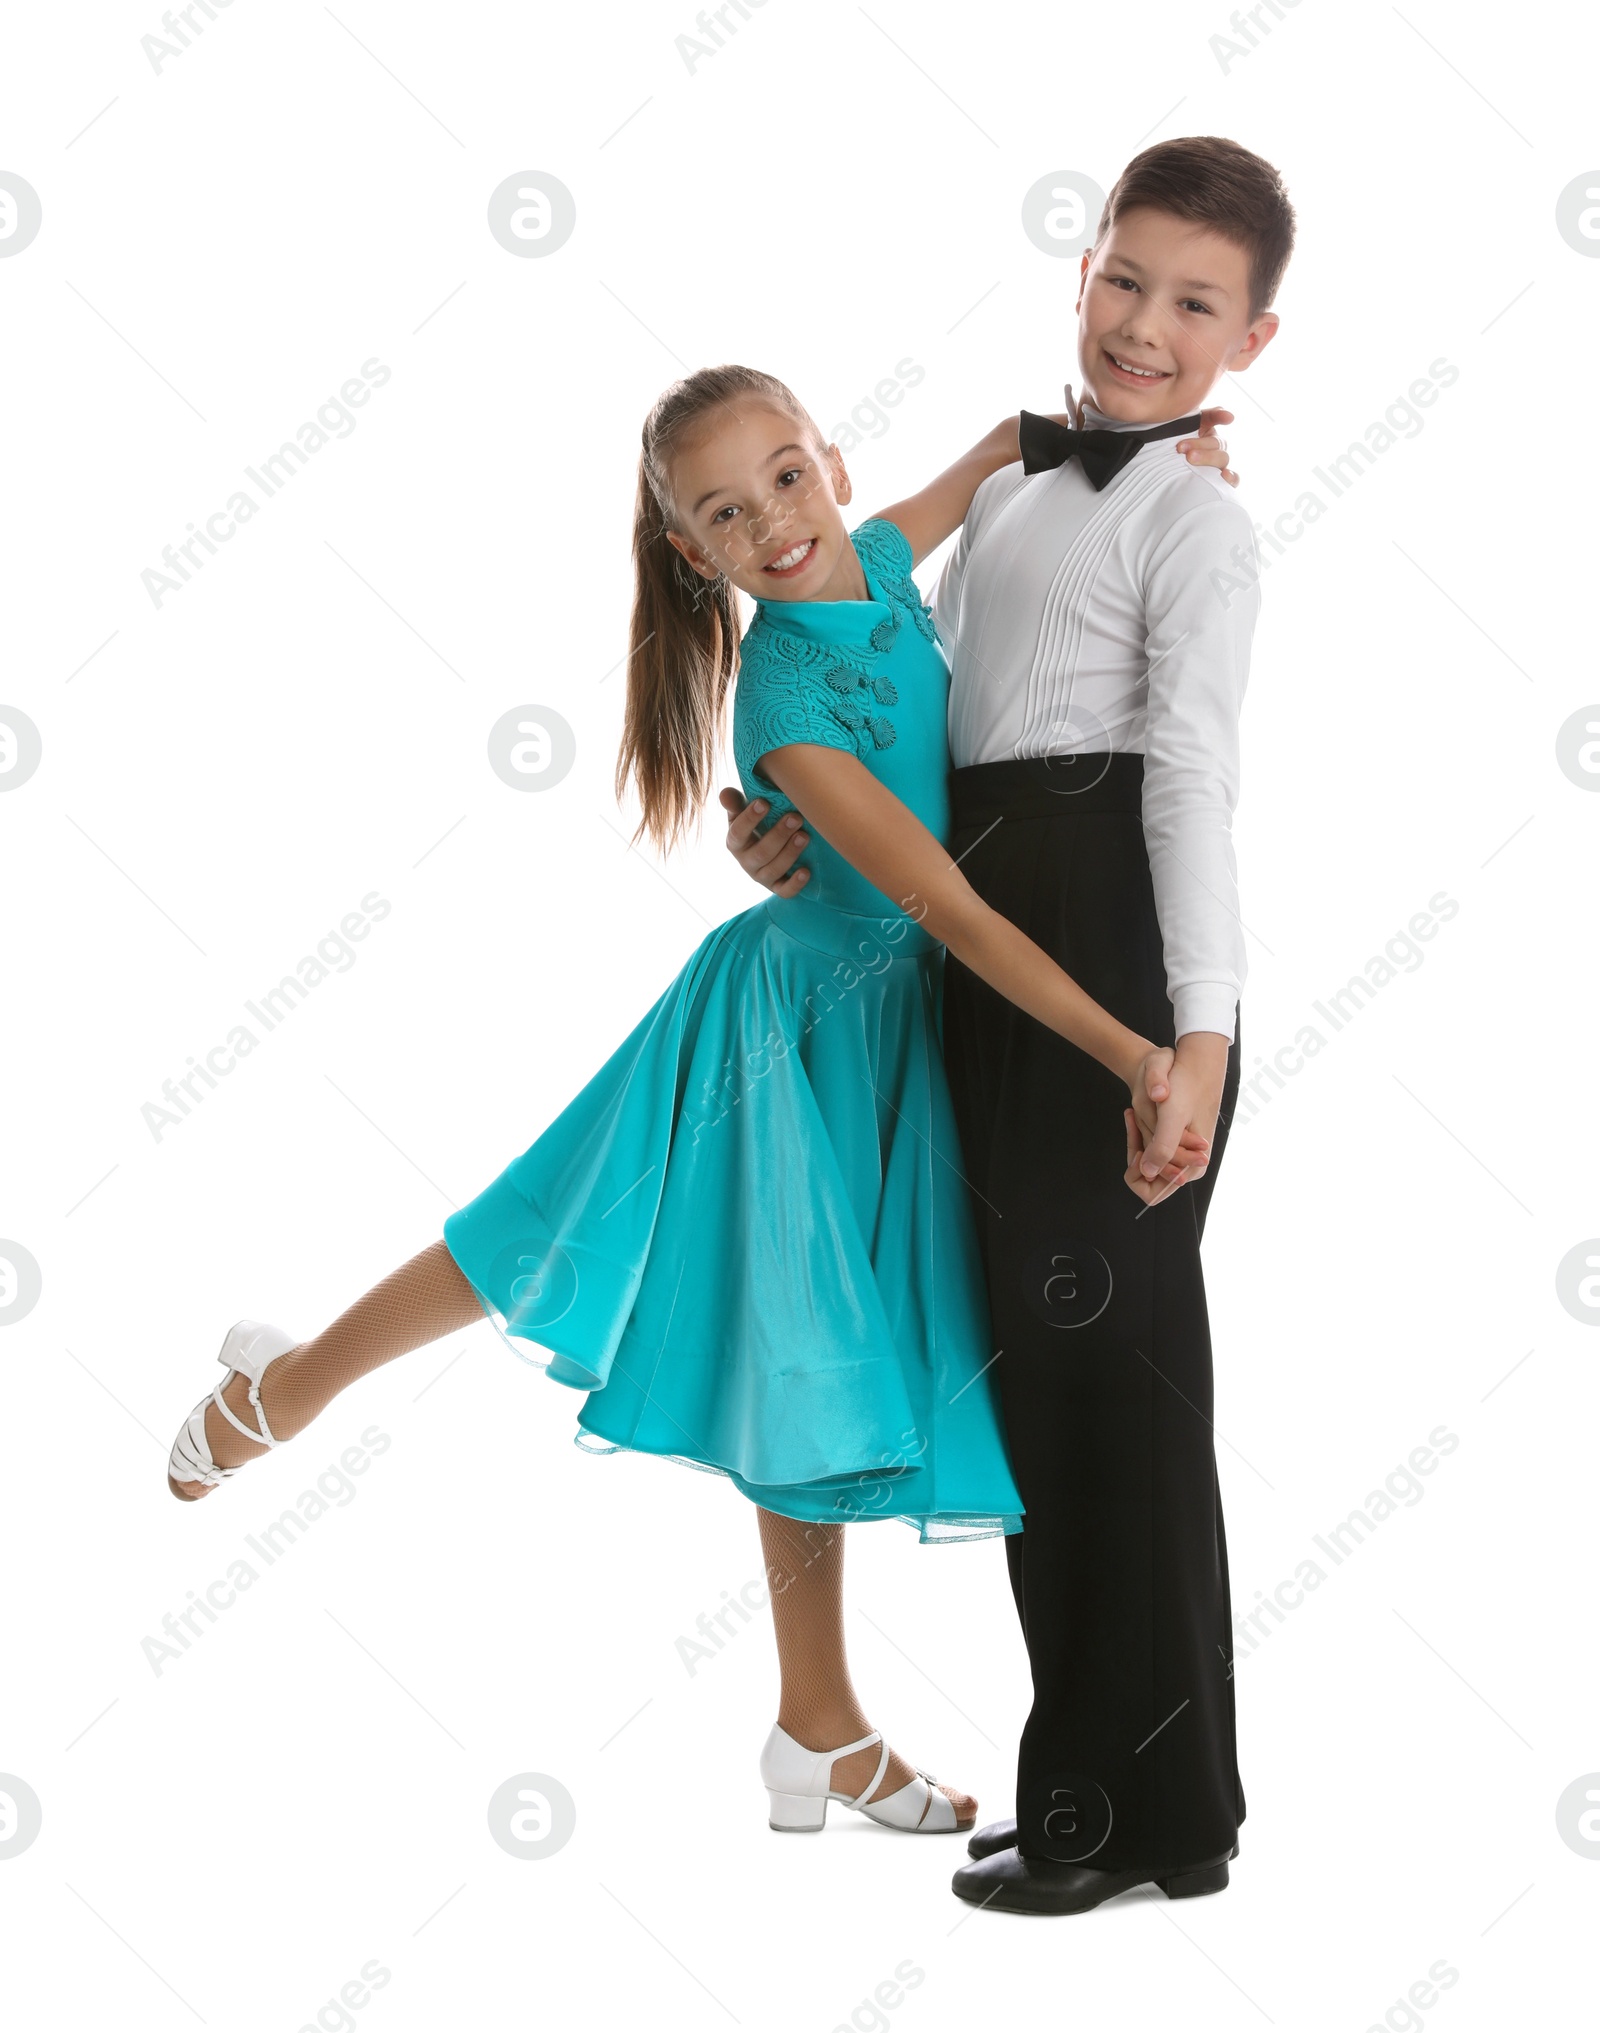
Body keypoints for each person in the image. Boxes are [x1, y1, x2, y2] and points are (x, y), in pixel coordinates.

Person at [166, 364, 1230, 1841]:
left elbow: (1000, 445)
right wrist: (1133, 1049)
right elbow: (957, 909)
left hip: (896, 1040)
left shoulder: (866, 554)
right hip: (788, 1020)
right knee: (554, 1229)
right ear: (693, 553)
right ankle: (286, 1385)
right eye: (728, 513)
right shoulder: (783, 709)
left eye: (788, 477)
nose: (774, 522)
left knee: (814, 1358)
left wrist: (1167, 445)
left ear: (832, 462)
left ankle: (815, 1722)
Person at [721, 136, 1293, 1911]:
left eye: (1195, 304)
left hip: (1104, 948)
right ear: (1082, 273)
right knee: (1045, 1392)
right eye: (1126, 279)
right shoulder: (1027, 499)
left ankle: (1138, 1821)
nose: (1145, 325)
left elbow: (1191, 778)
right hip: (982, 936)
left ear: (1251, 342)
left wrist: (1193, 1037)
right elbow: (917, 718)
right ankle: (1125, 1796)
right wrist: (789, 831)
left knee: (1117, 1393)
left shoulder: (1200, 521)